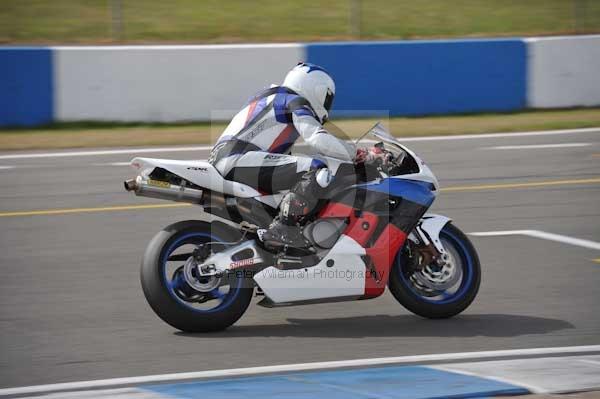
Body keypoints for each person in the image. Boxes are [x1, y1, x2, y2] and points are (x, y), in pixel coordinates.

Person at [210, 62, 388, 250]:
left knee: (299, 175)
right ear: (316, 88)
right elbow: (316, 137)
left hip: (231, 158)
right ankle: (283, 228)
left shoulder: (270, 97)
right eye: (327, 98)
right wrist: (360, 153)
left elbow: (283, 158)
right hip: (237, 159)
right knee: (317, 169)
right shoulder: (292, 100)